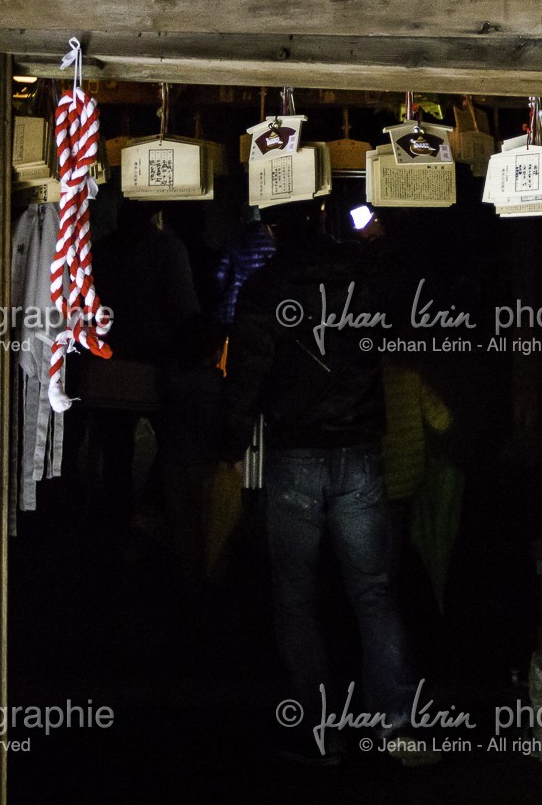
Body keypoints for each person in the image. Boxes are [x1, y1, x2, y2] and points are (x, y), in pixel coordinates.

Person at [225, 196, 427, 765]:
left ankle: (320, 734)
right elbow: (401, 320)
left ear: (272, 227)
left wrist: (230, 442)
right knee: (374, 591)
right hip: (360, 451)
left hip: (295, 457)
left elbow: (245, 376)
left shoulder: (264, 288)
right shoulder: (364, 275)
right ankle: (399, 728)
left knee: (295, 595)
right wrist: (381, 240)